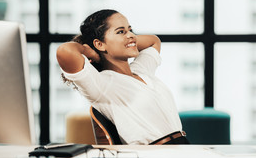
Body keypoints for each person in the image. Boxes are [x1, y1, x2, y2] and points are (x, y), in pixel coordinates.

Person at [56, 9, 189, 145]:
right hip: (153, 157)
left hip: (182, 147)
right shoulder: (103, 84)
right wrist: (90, 51)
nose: (131, 35)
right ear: (99, 44)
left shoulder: (141, 69)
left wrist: (127, 40)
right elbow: (65, 51)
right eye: (121, 32)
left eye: (130, 30)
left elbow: (154, 41)